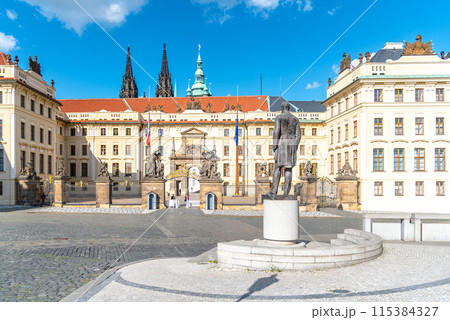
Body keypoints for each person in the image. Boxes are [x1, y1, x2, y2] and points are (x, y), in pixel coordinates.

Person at [267, 102, 301, 197]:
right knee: (288, 168)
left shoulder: (279, 117)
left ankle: (274, 191)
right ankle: (286, 193)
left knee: (277, 167)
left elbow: (276, 131)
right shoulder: (295, 119)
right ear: (289, 108)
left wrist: (274, 145)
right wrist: (294, 145)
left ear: (282, 108)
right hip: (291, 143)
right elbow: (298, 135)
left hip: (282, 142)